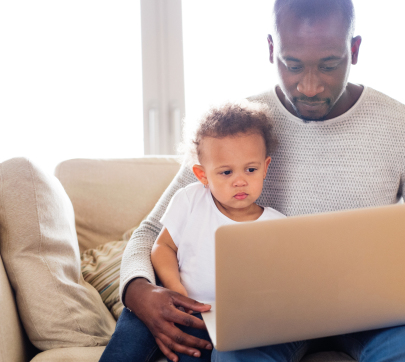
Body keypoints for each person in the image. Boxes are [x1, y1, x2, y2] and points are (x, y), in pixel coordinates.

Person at [118, 0, 405, 362]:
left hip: (373, 310)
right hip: (269, 310)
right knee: (233, 352)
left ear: (354, 50)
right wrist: (138, 289)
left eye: (328, 65)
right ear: (271, 49)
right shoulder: (240, 129)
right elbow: (152, 233)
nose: (309, 87)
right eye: (292, 66)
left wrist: (369, 275)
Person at [100, 101, 285, 362]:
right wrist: (175, 288)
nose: (240, 180)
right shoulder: (190, 199)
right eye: (226, 172)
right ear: (202, 175)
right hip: (176, 304)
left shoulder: (277, 225)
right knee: (133, 326)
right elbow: (163, 247)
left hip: (222, 322)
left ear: (266, 167)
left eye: (251, 169)